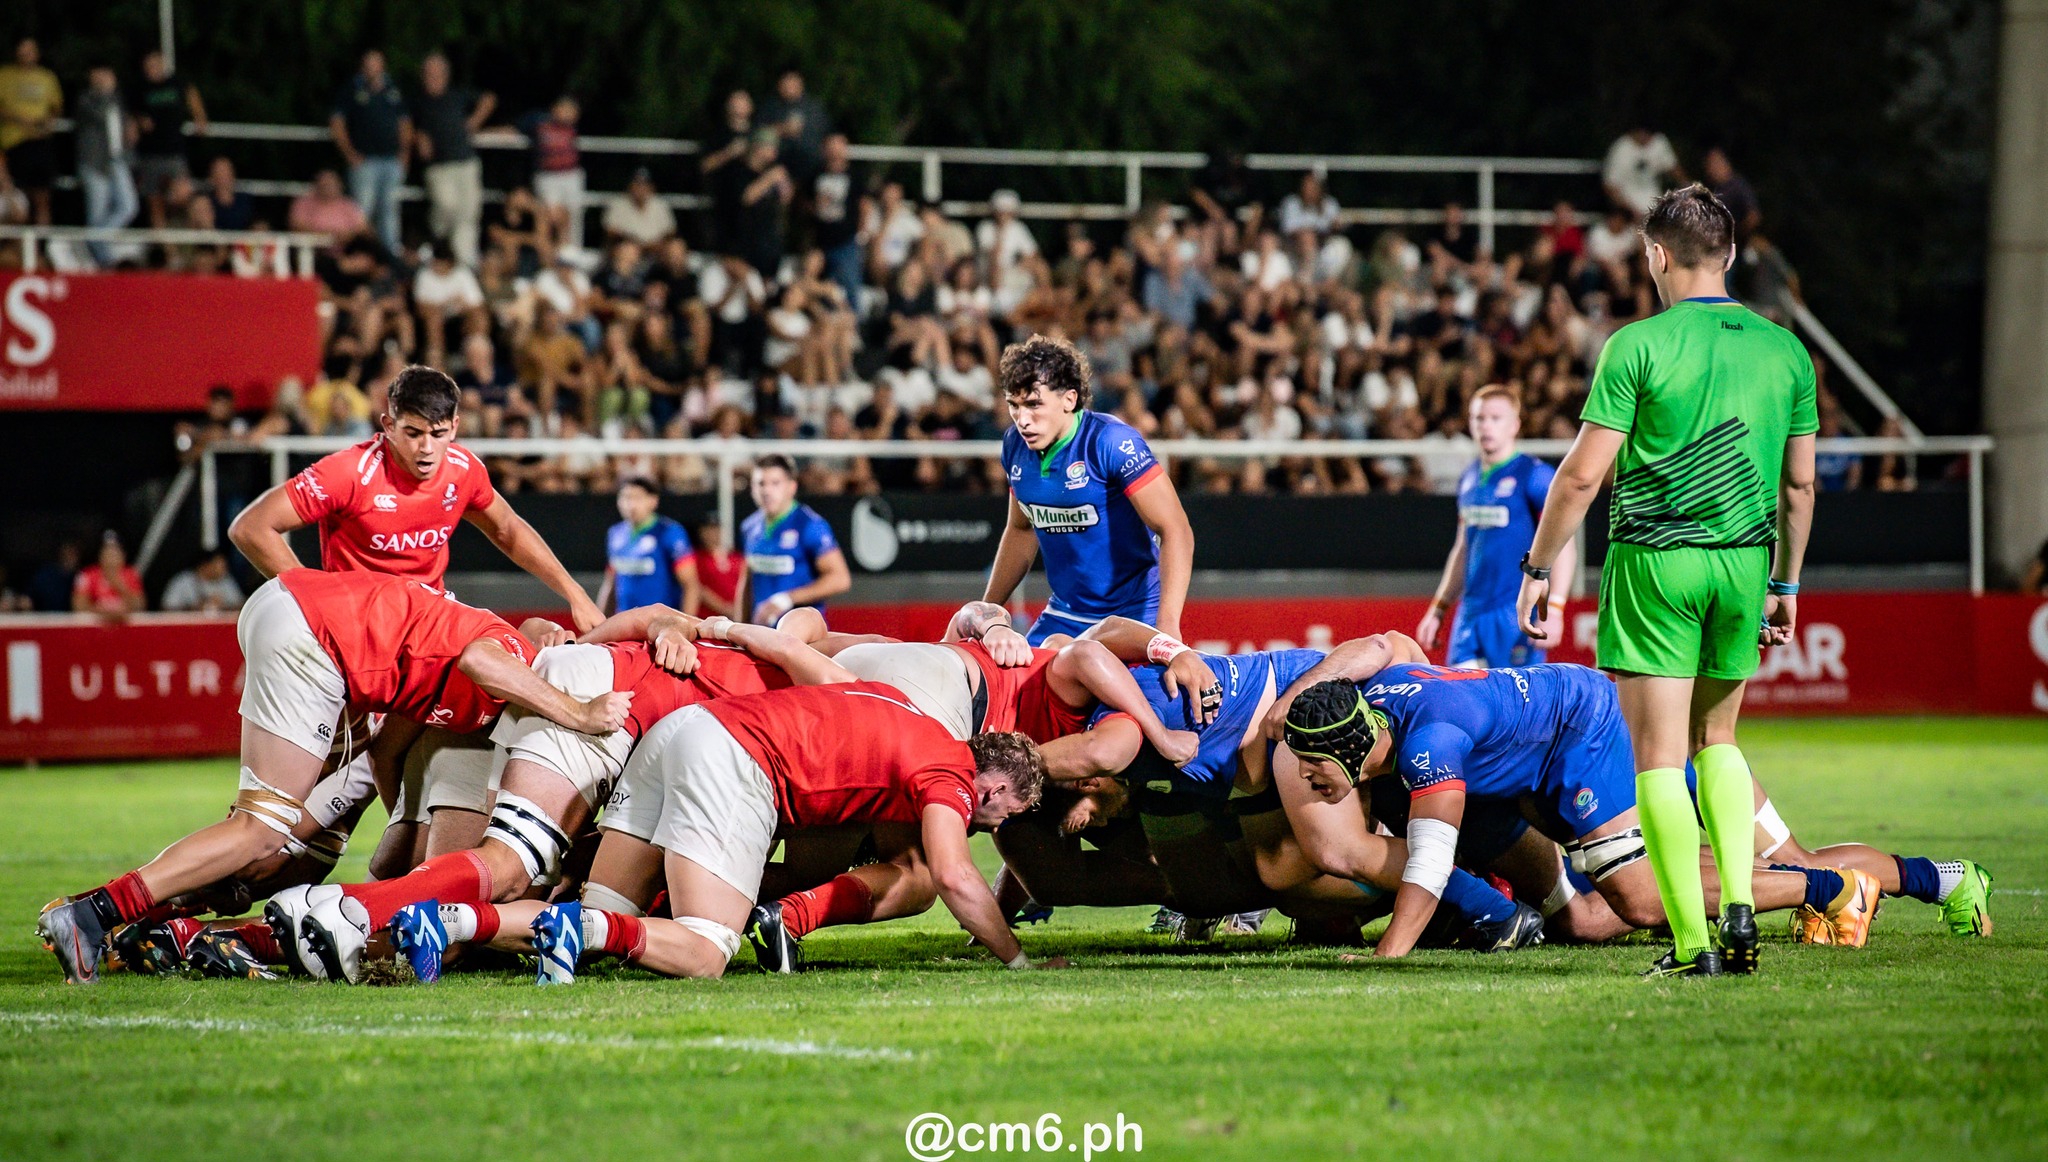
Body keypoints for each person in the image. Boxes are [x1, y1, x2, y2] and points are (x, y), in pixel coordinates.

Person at [35, 566, 630, 984]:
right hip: (318, 637)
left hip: (294, 618)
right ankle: (95, 916)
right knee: (265, 832)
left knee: (290, 845)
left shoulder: (465, 698)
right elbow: (484, 660)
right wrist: (579, 710)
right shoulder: (508, 655)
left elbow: (382, 756)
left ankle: (143, 922)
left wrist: (385, 823)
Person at [1513, 184, 1821, 977]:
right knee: (1718, 740)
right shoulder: (1786, 351)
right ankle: (1744, 911)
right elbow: (1799, 489)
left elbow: (1582, 477)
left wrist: (1540, 567)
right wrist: (1784, 586)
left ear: (1656, 255)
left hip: (1657, 563)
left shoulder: (1637, 345)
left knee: (1657, 757)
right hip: (1745, 564)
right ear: (1726, 255)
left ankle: (1694, 943)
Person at [1267, 640, 1877, 962]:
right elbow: (1380, 643)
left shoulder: (1430, 747)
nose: (1304, 776)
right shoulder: (1374, 702)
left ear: (1351, 750)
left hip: (1579, 733)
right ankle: (1808, 876)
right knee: (1589, 917)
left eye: (1311, 763)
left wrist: (1389, 956)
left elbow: (1429, 865)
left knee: (1637, 899)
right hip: (1540, 752)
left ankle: (1830, 889)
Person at [524, 623, 1055, 982]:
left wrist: (719, 627)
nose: (991, 826)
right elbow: (955, 877)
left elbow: (794, 647)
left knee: (607, 913)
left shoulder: (892, 699)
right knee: (705, 950)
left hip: (683, 729)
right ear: (995, 788)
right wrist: (1017, 960)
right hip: (735, 757)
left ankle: (458, 922)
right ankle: (583, 927)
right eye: (1002, 814)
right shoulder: (951, 768)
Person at [228, 364, 602, 631]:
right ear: (387, 425)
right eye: (413, 433)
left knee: (516, 646)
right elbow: (250, 528)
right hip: (362, 627)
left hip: (429, 620)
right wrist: (315, 598)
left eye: (438, 433)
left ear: (455, 427)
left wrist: (575, 593)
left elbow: (508, 529)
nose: (427, 448)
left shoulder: (464, 469)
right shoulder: (348, 472)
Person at [983, 334, 1194, 644]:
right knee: (1016, 688)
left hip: (1135, 612)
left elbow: (1176, 529)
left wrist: (1167, 629)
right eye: (1013, 405)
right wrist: (987, 610)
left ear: (1069, 399)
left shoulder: (1111, 442)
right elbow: (1021, 529)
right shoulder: (1015, 445)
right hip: (1065, 615)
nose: (1022, 420)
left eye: (1033, 404)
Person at [1417, 387, 1576, 667]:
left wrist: (1554, 607)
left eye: (1495, 418)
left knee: (1517, 707)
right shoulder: (1469, 477)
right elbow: (1463, 547)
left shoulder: (1534, 475)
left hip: (1514, 613)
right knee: (1463, 703)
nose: (1486, 426)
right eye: (1479, 418)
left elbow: (1564, 543)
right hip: (1471, 614)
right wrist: (1439, 608)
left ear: (1515, 425)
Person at [741, 453, 850, 625]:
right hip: (761, 636)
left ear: (791, 487)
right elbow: (747, 583)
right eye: (761, 483)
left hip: (803, 637)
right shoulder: (750, 527)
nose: (766, 491)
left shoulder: (809, 525)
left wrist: (788, 599)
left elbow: (840, 578)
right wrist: (739, 628)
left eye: (775, 483)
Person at [411, 51, 494, 269]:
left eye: (436, 73)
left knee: (469, 212)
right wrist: (418, 137)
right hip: (438, 166)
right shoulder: (418, 100)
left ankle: (465, 263)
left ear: (446, 75)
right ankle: (436, 245)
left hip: (465, 161)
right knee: (446, 206)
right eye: (428, 73)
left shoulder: (458, 95)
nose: (432, 78)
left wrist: (474, 121)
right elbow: (405, 126)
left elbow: (489, 99)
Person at [329, 49, 411, 254]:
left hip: (391, 161)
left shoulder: (394, 89)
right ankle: (362, 253)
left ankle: (389, 254)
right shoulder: (351, 89)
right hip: (364, 161)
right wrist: (349, 153)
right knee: (361, 212)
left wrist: (404, 154)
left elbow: (405, 123)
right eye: (368, 63)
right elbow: (337, 122)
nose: (371, 68)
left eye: (375, 63)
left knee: (390, 211)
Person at [598, 476, 699, 615]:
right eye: (625, 497)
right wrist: (599, 624)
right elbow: (611, 583)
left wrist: (687, 624)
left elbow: (690, 585)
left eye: (637, 498)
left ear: (653, 501)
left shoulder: (670, 532)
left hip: (661, 622)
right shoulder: (615, 533)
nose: (630, 504)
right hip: (623, 623)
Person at [132, 49, 209, 229]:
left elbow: (191, 94)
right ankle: (167, 249)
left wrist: (200, 116)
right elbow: (131, 111)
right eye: (148, 66)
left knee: (185, 197)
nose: (151, 69)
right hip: (150, 153)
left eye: (154, 64)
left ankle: (190, 239)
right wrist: (138, 120)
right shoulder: (140, 88)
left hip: (175, 151)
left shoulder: (176, 83)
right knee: (155, 203)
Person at [74, 66, 138, 265]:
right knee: (97, 214)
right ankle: (103, 260)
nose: (104, 79)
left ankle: (95, 238)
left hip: (117, 160)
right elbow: (99, 115)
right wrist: (106, 91)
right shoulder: (86, 99)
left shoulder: (117, 99)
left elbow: (122, 128)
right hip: (94, 163)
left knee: (129, 206)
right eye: (99, 75)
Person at [0, 38, 60, 225]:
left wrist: (49, 121)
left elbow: (56, 106)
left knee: (43, 197)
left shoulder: (47, 77)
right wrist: (19, 118)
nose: (26, 55)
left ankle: (42, 248)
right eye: (22, 50)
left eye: (30, 51)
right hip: (15, 142)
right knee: (20, 199)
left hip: (41, 141)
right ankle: (21, 250)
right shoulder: (5, 75)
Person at [523, 96, 585, 252]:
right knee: (550, 216)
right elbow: (516, 128)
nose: (567, 113)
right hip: (547, 176)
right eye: (563, 108)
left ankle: (571, 253)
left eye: (570, 110)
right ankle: (548, 257)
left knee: (572, 215)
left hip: (571, 175)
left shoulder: (575, 128)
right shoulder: (538, 122)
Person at [1602, 126, 1683, 218]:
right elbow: (1610, 187)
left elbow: (1673, 169)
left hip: (1654, 203)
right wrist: (1630, 211)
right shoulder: (1621, 149)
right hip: (1627, 206)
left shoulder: (1658, 142)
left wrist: (1688, 188)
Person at [71, 532, 144, 616]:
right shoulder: (86, 575)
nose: (111, 558)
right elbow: (78, 606)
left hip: (123, 624)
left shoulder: (131, 575)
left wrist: (120, 586)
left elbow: (139, 606)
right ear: (100, 555)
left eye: (115, 553)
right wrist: (102, 613)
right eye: (107, 552)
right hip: (95, 625)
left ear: (123, 555)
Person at [688, 515, 745, 619]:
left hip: (735, 619)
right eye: (708, 530)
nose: (712, 534)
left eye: (716, 529)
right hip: (705, 619)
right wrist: (725, 608)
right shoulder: (695, 558)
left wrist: (739, 610)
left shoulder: (737, 558)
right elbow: (696, 587)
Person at [603, 167, 676, 247]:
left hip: (657, 247)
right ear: (630, 186)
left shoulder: (661, 205)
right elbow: (611, 231)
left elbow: (670, 231)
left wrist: (655, 244)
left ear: (652, 187)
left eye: (645, 184)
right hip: (628, 246)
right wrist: (636, 242)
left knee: (676, 248)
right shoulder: (618, 204)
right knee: (628, 250)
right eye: (637, 184)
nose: (641, 188)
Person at [162, 550, 245, 612]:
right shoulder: (183, 581)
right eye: (218, 565)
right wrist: (196, 608)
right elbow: (167, 608)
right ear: (205, 565)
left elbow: (240, 605)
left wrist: (222, 607)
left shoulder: (226, 581)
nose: (224, 569)